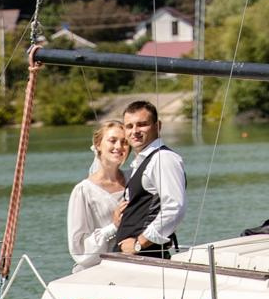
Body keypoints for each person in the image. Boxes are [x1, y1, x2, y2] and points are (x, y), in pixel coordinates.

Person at [114, 99, 186, 257]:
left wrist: (139, 244)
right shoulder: (142, 162)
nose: (135, 131)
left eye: (142, 124)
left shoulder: (163, 159)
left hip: (147, 258)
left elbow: (174, 208)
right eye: (129, 126)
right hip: (133, 259)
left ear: (158, 126)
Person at [67, 119, 128, 267]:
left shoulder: (135, 179)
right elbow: (79, 250)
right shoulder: (83, 191)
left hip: (134, 265)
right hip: (99, 270)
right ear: (98, 145)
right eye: (112, 141)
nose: (119, 146)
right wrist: (113, 227)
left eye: (124, 142)